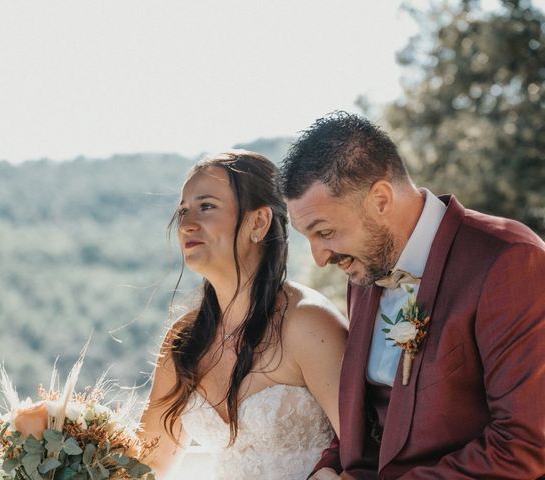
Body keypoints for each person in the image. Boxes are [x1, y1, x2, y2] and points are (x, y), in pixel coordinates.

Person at [279, 111, 545, 479]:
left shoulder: (507, 259)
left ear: (381, 199)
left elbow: (524, 445)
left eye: (324, 232)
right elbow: (369, 418)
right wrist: (329, 468)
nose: (320, 258)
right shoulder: (364, 274)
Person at [138, 151, 347, 479]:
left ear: (258, 222)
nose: (187, 224)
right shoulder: (184, 341)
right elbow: (144, 466)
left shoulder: (308, 324)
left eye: (206, 206)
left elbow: (367, 458)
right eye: (183, 210)